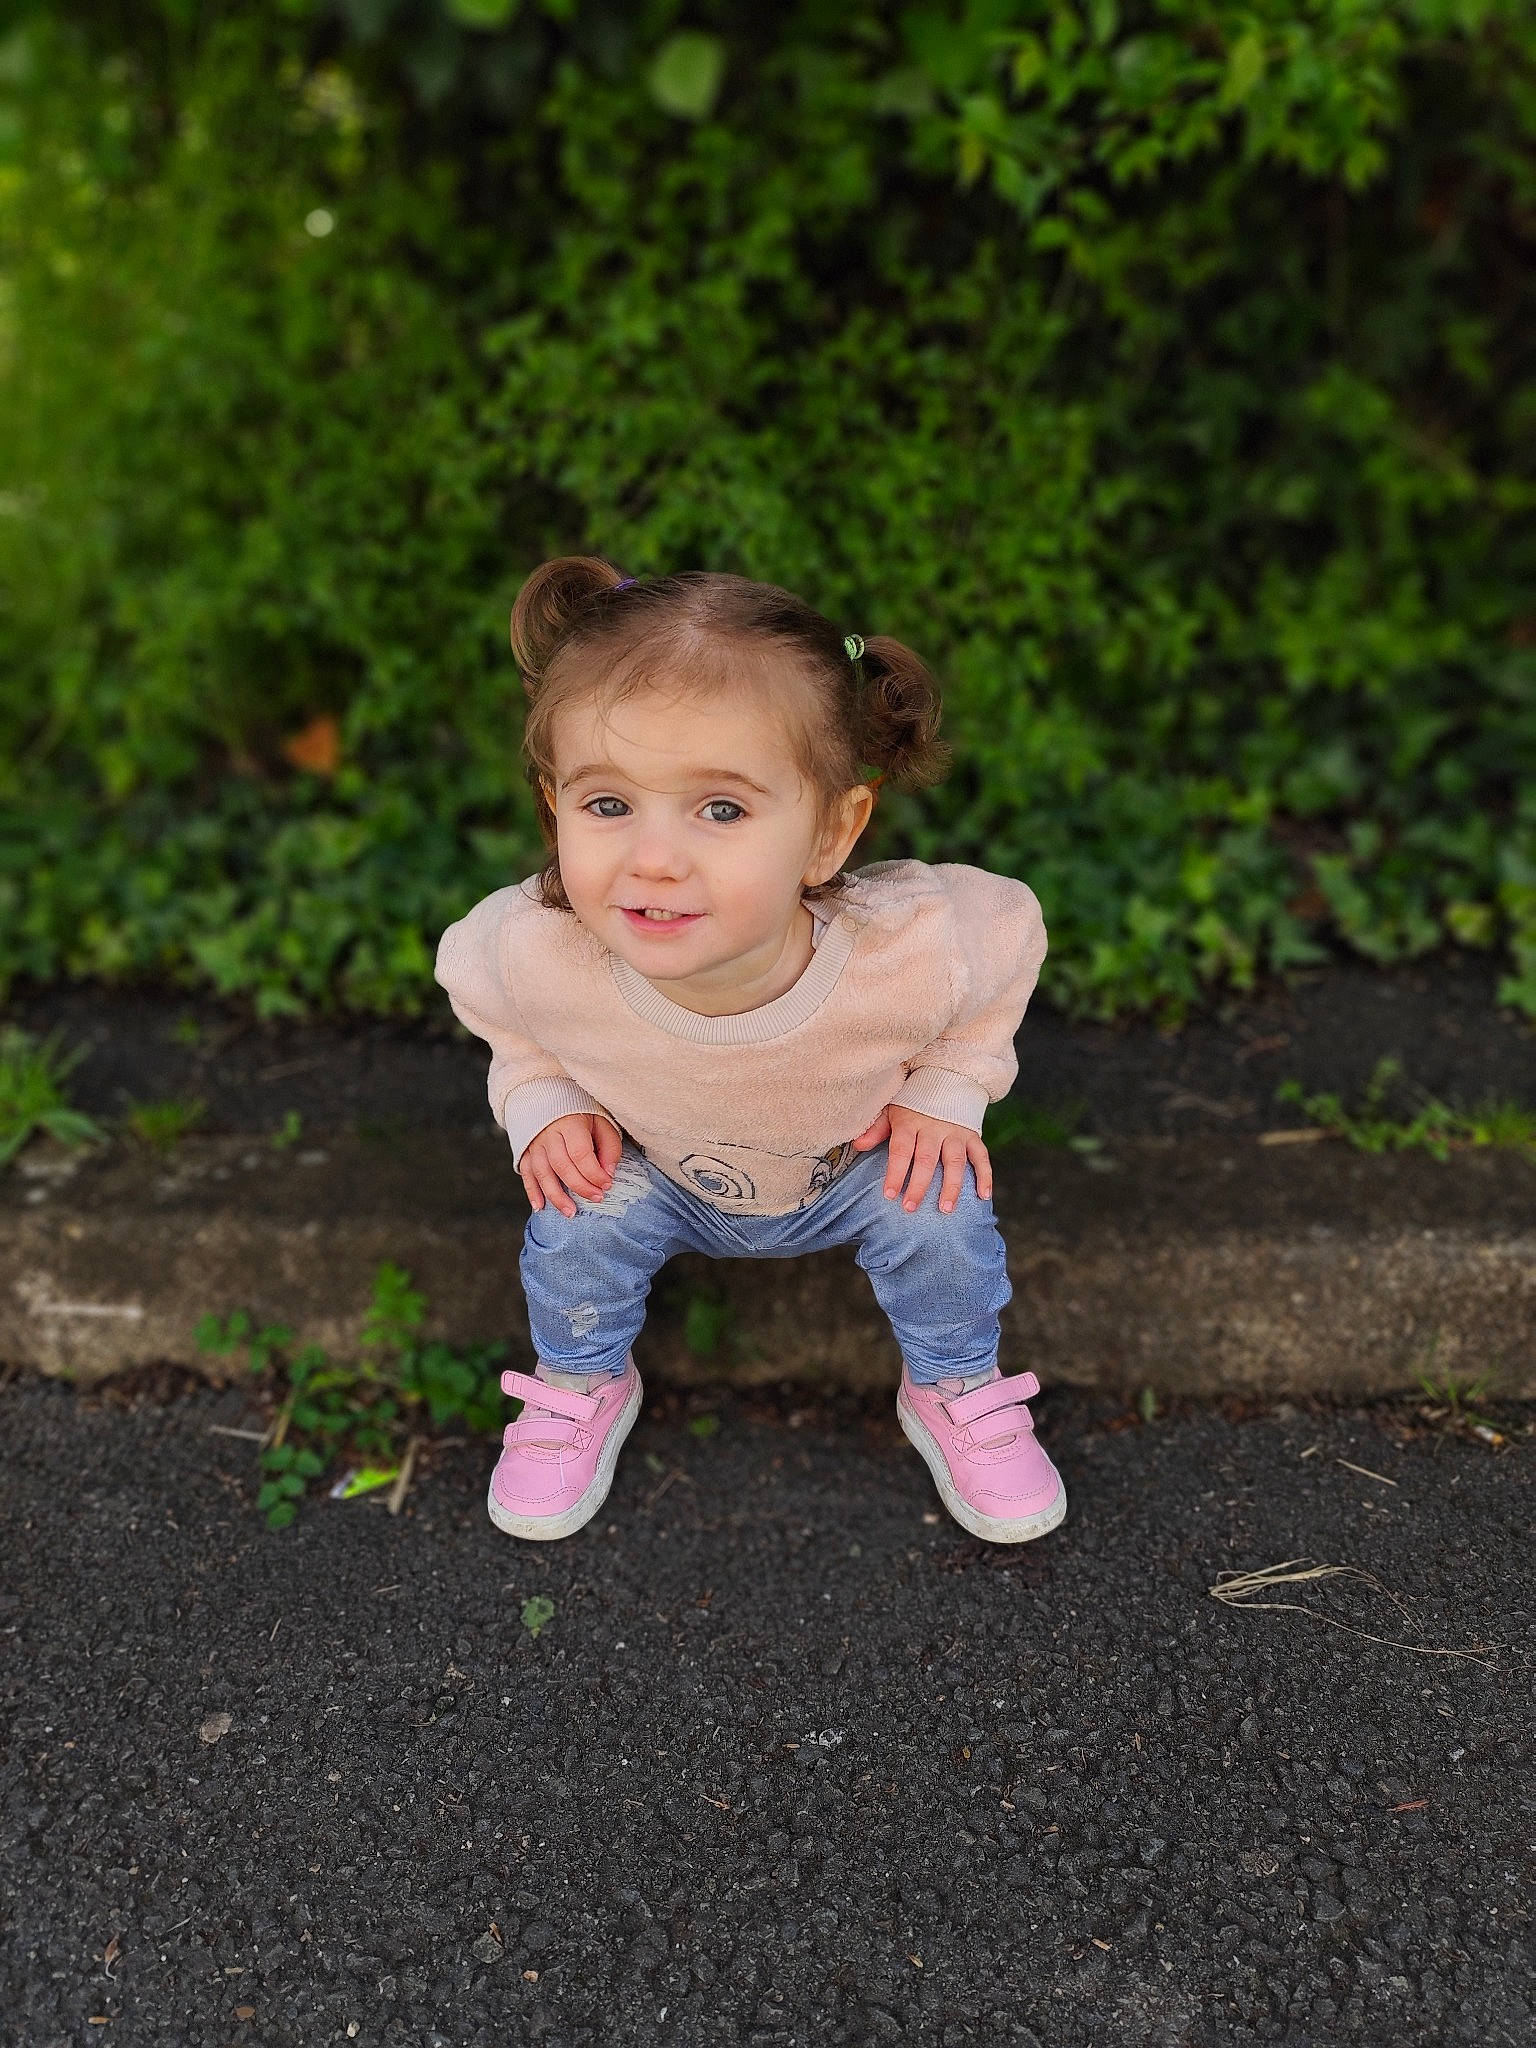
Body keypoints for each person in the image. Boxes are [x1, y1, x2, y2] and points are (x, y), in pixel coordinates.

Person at [433, 556, 1066, 1548]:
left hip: (858, 1166)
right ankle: (583, 1378)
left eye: (720, 809)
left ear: (830, 829)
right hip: (656, 1173)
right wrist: (541, 1097)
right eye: (607, 804)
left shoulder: (910, 946)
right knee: (576, 1211)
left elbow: (1011, 934)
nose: (654, 857)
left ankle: (953, 1380)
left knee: (941, 1206)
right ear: (555, 802)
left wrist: (948, 1089)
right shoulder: (533, 948)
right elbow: (481, 986)